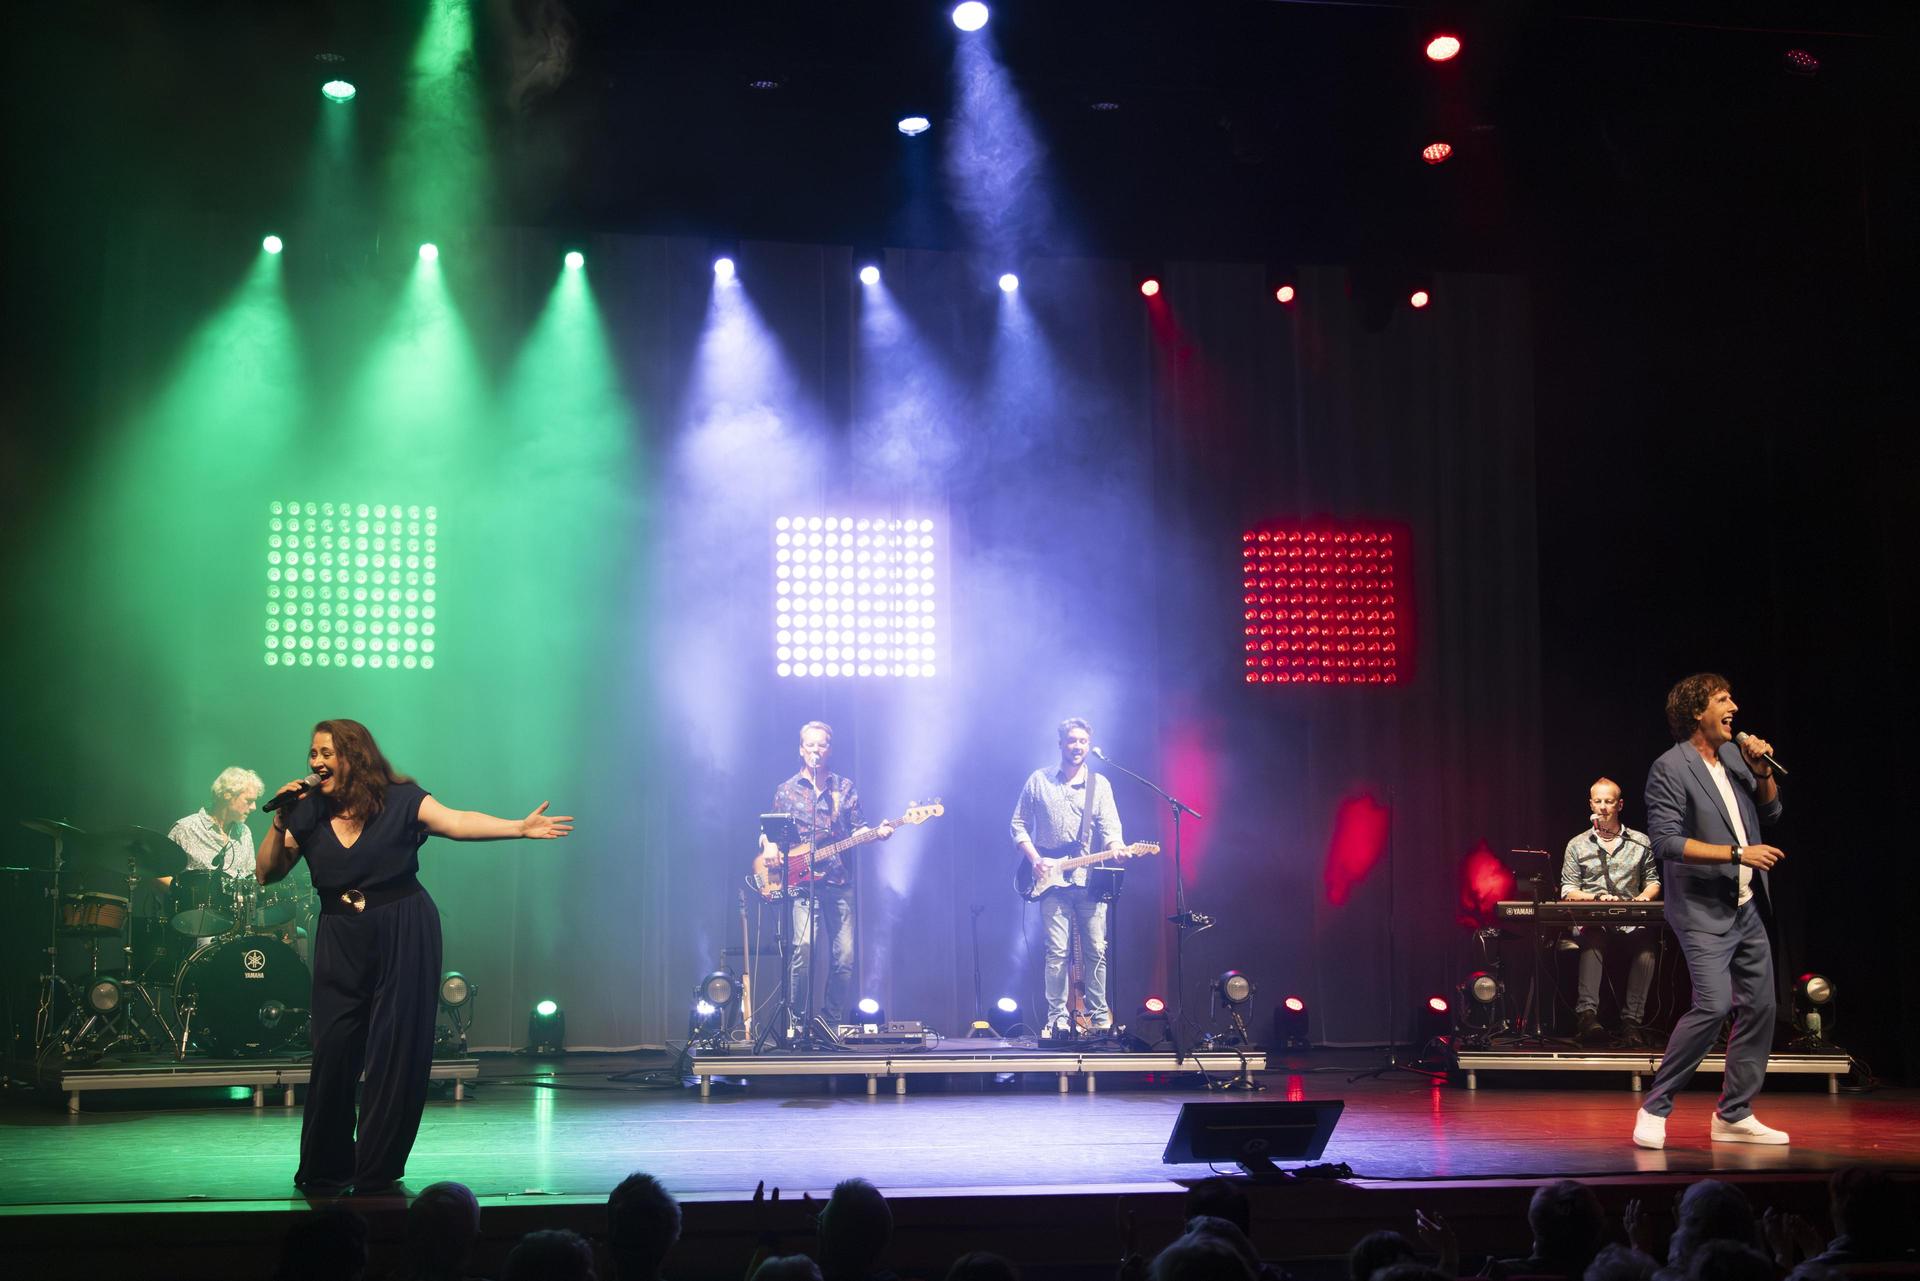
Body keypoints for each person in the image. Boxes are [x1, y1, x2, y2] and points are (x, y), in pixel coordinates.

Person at [258, 718, 574, 1196]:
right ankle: (326, 1164)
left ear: (353, 756)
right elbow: (268, 873)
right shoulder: (306, 812)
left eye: (326, 753)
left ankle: (376, 1166)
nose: (316, 762)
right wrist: (280, 819)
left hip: (403, 926)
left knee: (395, 1048)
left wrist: (518, 828)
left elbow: (458, 821)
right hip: (340, 935)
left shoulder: (400, 800)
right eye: (313, 754)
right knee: (335, 1048)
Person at [1633, 674, 1787, 1150]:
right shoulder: (1669, 767)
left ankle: (1734, 1113)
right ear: (1697, 710)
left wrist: (1762, 772)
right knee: (1714, 1004)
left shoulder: (1736, 761)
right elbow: (1666, 842)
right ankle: (1655, 1106)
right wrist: (1736, 855)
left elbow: (1772, 815)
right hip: (1701, 907)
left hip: (1746, 904)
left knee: (1762, 1006)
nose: (1734, 707)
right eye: (1723, 700)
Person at [761, 721, 890, 1033]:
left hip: (838, 881)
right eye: (809, 745)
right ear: (801, 749)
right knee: (803, 949)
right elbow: (769, 833)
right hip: (802, 884)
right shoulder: (786, 790)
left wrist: (876, 833)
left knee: (844, 957)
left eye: (821, 745)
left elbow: (859, 827)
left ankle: (828, 1023)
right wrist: (768, 847)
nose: (815, 750)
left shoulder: (843, 788)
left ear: (829, 750)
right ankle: (796, 1024)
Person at [1010, 717, 1123, 1037]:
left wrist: (1116, 847)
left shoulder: (1099, 785)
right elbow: (1017, 825)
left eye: (1083, 742)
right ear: (1061, 743)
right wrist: (1035, 860)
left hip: (1088, 881)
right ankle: (1057, 1018)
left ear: (1089, 744)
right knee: (1057, 951)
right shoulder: (1039, 780)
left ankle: (1100, 1018)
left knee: (1096, 950)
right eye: (1072, 741)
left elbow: (1111, 829)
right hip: (1051, 882)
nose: (1077, 747)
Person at [1559, 778, 1661, 1046]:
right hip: (1593, 921)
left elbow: (1653, 880)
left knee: (1646, 947)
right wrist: (1595, 897)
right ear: (1591, 804)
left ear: (1620, 805)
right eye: (1598, 801)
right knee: (1593, 939)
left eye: (1609, 801)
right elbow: (1568, 889)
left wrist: (1642, 898)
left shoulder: (1640, 842)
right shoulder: (1577, 845)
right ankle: (1587, 1017)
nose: (1603, 807)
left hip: (1630, 921)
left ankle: (1632, 1022)